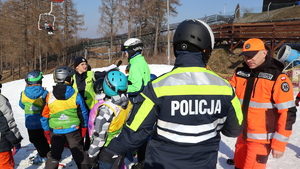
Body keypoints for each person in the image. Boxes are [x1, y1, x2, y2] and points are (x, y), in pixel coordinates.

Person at [103, 19, 244, 169]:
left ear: (176, 49)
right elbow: (235, 129)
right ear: (206, 50)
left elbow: (135, 132)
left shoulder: (158, 86)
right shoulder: (224, 87)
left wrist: (109, 151)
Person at [229, 38, 297, 169]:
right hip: (241, 136)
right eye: (246, 56)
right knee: (238, 166)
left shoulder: (278, 78)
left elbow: (288, 113)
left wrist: (279, 144)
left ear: (264, 53)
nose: (248, 60)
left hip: (260, 140)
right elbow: (225, 92)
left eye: (252, 55)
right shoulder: (240, 73)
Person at [41, 66, 90, 169]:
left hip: (56, 130)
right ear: (68, 79)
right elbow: (83, 113)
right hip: (73, 129)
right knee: (78, 152)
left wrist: (46, 130)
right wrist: (84, 128)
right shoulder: (75, 95)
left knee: (54, 154)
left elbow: (44, 116)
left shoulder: (49, 96)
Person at [88, 70, 132, 169]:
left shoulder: (106, 109)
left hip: (107, 151)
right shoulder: (128, 103)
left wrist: (91, 156)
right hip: (120, 145)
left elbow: (99, 137)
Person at [73, 56, 119, 150]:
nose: (85, 66)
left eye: (85, 64)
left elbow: (103, 74)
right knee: (80, 128)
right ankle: (80, 147)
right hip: (78, 107)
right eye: (82, 64)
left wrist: (112, 71)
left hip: (91, 107)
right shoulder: (72, 78)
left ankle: (89, 146)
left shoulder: (91, 74)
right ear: (76, 67)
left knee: (91, 128)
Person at [19, 70, 50, 164]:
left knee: (34, 139)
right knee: (43, 138)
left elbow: (21, 105)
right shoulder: (45, 93)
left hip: (30, 123)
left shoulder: (23, 94)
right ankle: (45, 152)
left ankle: (44, 155)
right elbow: (48, 106)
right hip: (43, 122)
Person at [0, 78, 23, 169]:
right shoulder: (1, 100)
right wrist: (15, 140)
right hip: (1, 144)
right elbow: (7, 122)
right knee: (5, 164)